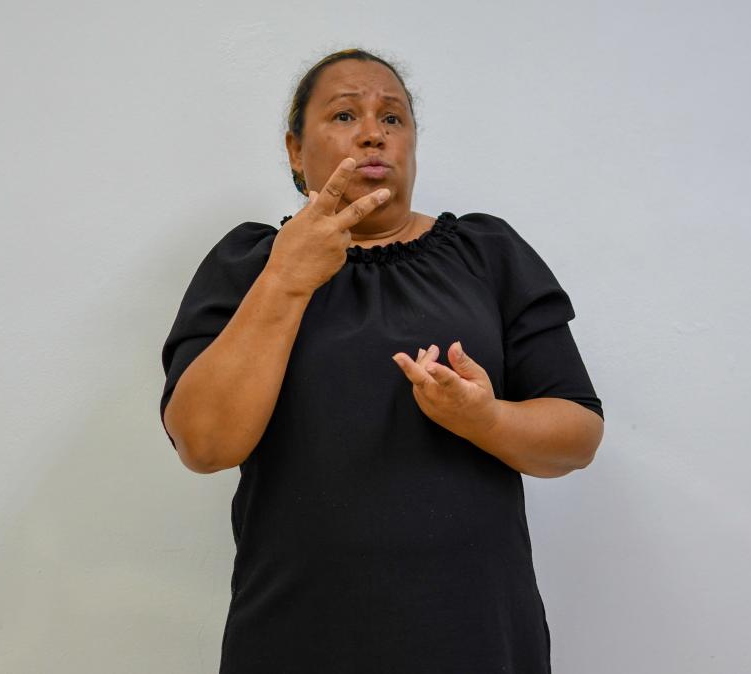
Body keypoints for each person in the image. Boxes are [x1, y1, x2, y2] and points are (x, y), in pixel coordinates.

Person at [159, 48, 605, 674]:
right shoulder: (248, 264)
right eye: (344, 114)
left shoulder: (488, 253)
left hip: (475, 637)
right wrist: (286, 277)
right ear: (294, 149)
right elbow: (204, 443)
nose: (373, 132)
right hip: (298, 639)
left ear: (413, 143)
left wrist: (486, 420)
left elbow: (578, 436)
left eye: (393, 118)